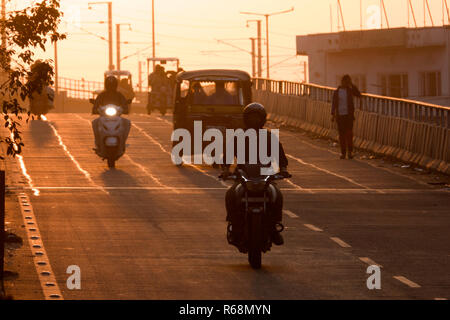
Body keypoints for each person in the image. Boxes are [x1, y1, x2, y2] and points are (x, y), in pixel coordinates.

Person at [221, 103, 291, 248]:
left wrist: (283, 169)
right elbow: (227, 157)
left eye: (256, 118)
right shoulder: (239, 137)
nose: (254, 121)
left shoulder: (269, 137)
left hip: (265, 175)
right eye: (251, 118)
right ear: (246, 119)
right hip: (243, 175)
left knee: (277, 195)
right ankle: (234, 225)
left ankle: (273, 228)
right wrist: (226, 170)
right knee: (230, 195)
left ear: (262, 119)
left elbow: (281, 157)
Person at [92, 76, 130, 151]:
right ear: (106, 85)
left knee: (127, 122)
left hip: (117, 117)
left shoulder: (119, 95)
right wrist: (95, 109)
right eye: (109, 85)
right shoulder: (102, 95)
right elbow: (96, 104)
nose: (111, 87)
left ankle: (123, 143)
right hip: (104, 117)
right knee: (95, 123)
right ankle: (98, 143)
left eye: (112, 85)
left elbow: (125, 105)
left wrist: (125, 109)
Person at [331, 75, 362, 159]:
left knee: (349, 134)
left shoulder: (350, 91)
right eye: (345, 81)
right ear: (342, 82)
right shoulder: (337, 92)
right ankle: (343, 152)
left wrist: (352, 85)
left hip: (349, 116)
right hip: (340, 116)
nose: (346, 83)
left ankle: (350, 152)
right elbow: (334, 104)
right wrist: (333, 114)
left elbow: (358, 94)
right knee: (342, 135)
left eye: (348, 82)